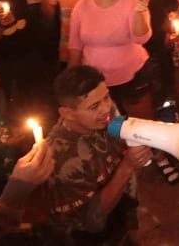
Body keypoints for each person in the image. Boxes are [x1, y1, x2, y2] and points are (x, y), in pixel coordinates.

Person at [45, 65, 153, 240]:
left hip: (119, 207)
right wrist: (127, 167)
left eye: (107, 97)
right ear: (68, 113)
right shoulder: (61, 160)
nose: (106, 109)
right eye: (94, 106)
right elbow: (91, 222)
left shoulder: (100, 117)